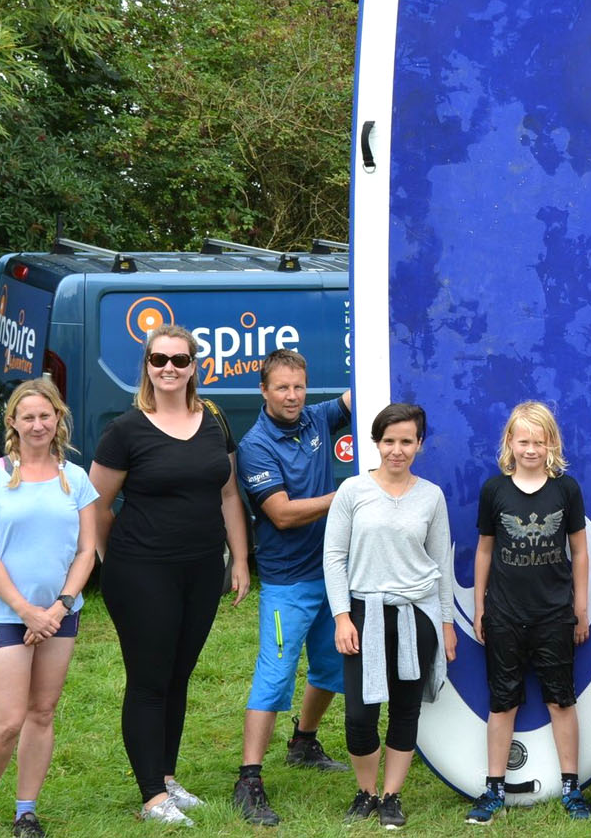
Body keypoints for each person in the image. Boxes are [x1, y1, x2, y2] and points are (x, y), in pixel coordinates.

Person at [90, 324, 251, 826]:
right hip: (142, 571)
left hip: (202, 568)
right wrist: (108, 554)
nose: (169, 369)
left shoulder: (214, 421)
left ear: (193, 366)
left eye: (179, 360)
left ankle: (166, 777)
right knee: (149, 680)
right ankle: (151, 797)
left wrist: (240, 559)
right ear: (147, 365)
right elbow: (93, 501)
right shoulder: (127, 429)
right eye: (159, 360)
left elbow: (228, 494)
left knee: (178, 676)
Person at [0, 378, 98, 838]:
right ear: (13, 423)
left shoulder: (75, 479)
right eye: (28, 417)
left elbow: (86, 551)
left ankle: (26, 811)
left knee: (42, 712)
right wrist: (26, 611)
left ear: (58, 418)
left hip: (59, 613)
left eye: (46, 415)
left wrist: (59, 607)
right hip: (5, 613)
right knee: (8, 720)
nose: (38, 424)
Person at [232, 349, 352, 827]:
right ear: (264, 391)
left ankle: (303, 741)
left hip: (331, 573)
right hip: (287, 583)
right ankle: (248, 780)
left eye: (299, 386)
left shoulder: (316, 418)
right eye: (282, 387)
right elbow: (280, 513)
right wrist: (344, 497)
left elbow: (358, 394)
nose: (292, 396)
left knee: (332, 664)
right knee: (275, 675)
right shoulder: (255, 445)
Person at [323, 403, 457, 830]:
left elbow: (441, 563)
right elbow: (334, 557)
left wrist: (447, 623)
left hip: (416, 614)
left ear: (419, 444)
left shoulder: (431, 496)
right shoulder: (352, 492)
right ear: (376, 442)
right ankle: (365, 791)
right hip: (364, 614)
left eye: (406, 441)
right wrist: (343, 616)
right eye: (388, 441)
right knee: (359, 716)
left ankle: (391, 796)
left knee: (405, 710)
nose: (396, 450)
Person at [466, 401, 591, 824]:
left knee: (561, 698)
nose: (531, 449)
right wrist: (480, 607)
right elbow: (485, 551)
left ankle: (572, 787)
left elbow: (579, 550)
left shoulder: (566, 490)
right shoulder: (494, 490)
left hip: (555, 614)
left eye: (539, 441)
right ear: (510, 443)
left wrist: (580, 607)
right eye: (524, 441)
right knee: (502, 702)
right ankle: (493, 788)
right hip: (504, 614)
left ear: (551, 443)